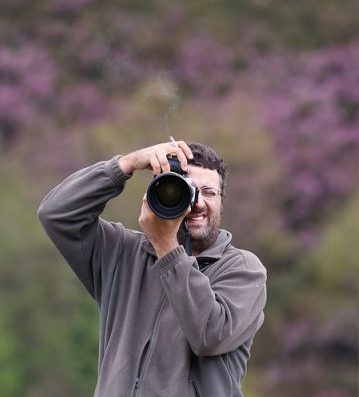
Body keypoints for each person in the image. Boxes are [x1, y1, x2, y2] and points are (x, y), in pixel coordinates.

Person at [38, 140, 266, 397]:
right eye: (187, 189)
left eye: (209, 192)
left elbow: (209, 335)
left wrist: (166, 246)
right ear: (160, 192)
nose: (197, 202)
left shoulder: (243, 270)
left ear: (222, 202)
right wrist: (126, 164)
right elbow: (56, 214)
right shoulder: (122, 253)